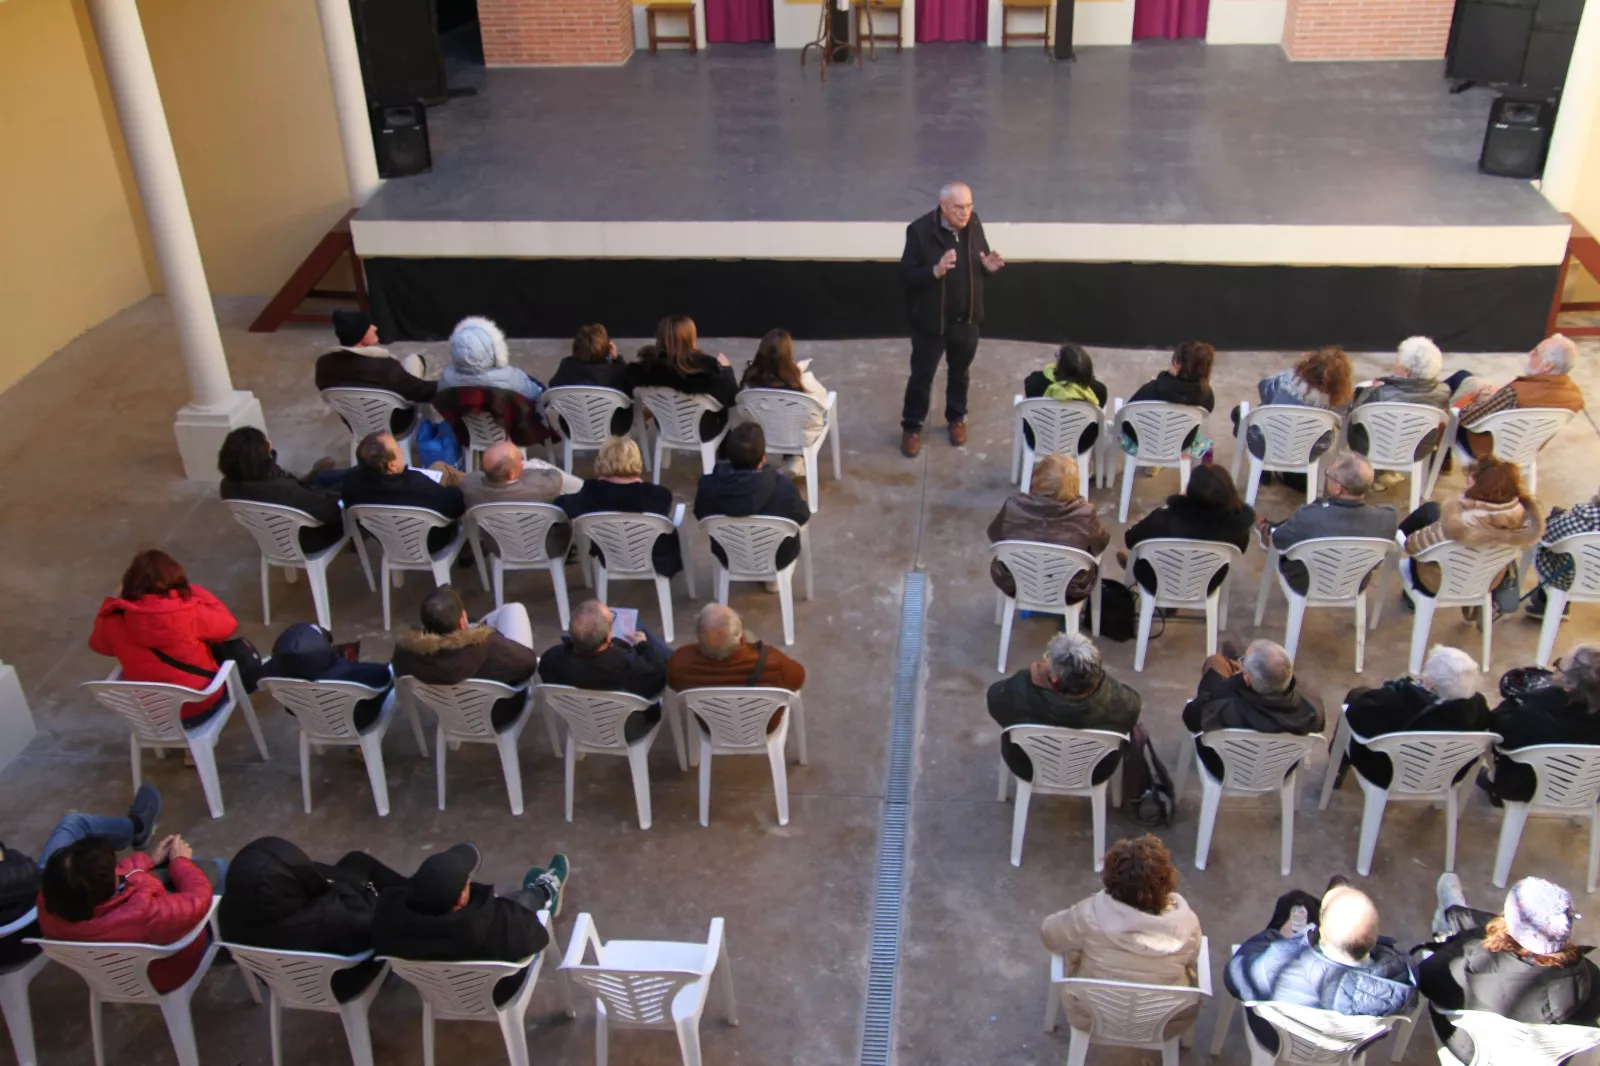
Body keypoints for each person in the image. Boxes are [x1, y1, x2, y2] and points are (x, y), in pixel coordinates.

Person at [1420, 875, 1600, 1063]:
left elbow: (1427, 979)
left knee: (1448, 933)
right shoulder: (1587, 976)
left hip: (1474, 1051)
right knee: (1471, 922)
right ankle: (1455, 912)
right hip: (1538, 1060)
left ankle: (1449, 913)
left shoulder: (1474, 960)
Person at [1225, 881, 1417, 1053]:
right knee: (1324, 889)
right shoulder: (1400, 981)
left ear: (1319, 929)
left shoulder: (1277, 961)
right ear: (1375, 939)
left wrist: (1277, 937)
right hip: (1343, 1053)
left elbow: (1234, 976)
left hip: (1274, 1041)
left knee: (1293, 901)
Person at [1040, 834, 1203, 1037]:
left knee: (1075, 947)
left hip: (1092, 1017)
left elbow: (1050, 935)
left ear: (1110, 879)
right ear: (1167, 880)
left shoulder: (1089, 915)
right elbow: (1193, 960)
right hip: (1164, 1023)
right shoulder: (1188, 923)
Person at [370, 843, 569, 1006]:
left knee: (510, 904)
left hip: (438, 996)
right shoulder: (498, 925)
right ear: (462, 897)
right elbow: (537, 936)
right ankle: (545, 890)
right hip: (497, 993)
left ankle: (540, 892)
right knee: (521, 904)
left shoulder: (389, 923)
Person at [217, 837, 410, 1001]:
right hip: (343, 979)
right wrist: (341, 888)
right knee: (387, 896)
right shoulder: (328, 917)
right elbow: (368, 925)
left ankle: (420, 888)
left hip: (285, 983)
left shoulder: (227, 914)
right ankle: (424, 894)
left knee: (355, 861)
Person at [898, 180, 1005, 458]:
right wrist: (935, 270)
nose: (965, 213)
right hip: (932, 324)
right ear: (942, 206)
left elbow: (979, 261)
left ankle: (956, 417)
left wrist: (988, 268)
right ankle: (912, 426)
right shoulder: (920, 231)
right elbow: (906, 275)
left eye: (969, 206)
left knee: (961, 373)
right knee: (922, 376)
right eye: (958, 207)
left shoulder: (974, 225)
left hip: (966, 319)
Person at [0, 786, 161, 968]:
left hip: (18, 920)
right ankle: (136, 828)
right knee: (73, 825)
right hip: (25, 926)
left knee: (75, 837)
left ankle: (132, 831)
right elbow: (27, 872)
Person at [38, 832, 217, 994]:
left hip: (108, 976)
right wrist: (181, 862)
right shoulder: (143, 914)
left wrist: (149, 861)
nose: (118, 869)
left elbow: (109, 880)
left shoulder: (51, 903)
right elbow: (198, 898)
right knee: (215, 870)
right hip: (165, 973)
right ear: (112, 887)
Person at [89, 549, 241, 726]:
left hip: (151, 715)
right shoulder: (188, 611)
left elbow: (100, 646)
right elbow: (228, 626)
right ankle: (193, 747)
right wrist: (195, 592)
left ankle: (182, 744)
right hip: (199, 705)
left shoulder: (114, 617)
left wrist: (111, 602)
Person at [988, 632, 1141, 784]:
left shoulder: (1018, 690)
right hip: (1096, 772)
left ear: (1055, 677)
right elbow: (1131, 717)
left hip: (1028, 767)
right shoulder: (1123, 700)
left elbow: (995, 701)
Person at [1336, 645, 1489, 789]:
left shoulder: (1402, 701)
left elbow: (1357, 716)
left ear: (1429, 684)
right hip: (1443, 779)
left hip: (1387, 774)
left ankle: (1338, 766)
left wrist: (1393, 689)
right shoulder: (1478, 707)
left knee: (1356, 696)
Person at [392, 587, 538, 731]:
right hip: (499, 714)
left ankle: (472, 627)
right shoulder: (492, 647)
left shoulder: (406, 653)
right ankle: (472, 627)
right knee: (514, 609)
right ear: (462, 621)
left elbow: (397, 670)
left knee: (500, 616)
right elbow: (528, 664)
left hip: (450, 717)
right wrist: (489, 636)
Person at [1257, 453, 1398, 596]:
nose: (1327, 477)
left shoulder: (1309, 515)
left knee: (1277, 535)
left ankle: (1265, 526)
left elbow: (1279, 542)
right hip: (1355, 584)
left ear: (1338, 489)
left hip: (1306, 582)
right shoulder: (1388, 518)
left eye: (1329, 474)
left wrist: (1267, 530)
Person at [1181, 640, 1324, 780]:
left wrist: (1232, 683)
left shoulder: (1222, 705)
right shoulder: (1312, 708)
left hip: (1222, 768)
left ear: (1247, 680)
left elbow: (1191, 719)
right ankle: (1238, 660)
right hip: (1277, 772)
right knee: (1233, 657)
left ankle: (1235, 660)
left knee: (1215, 664)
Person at [1399, 456, 1540, 598]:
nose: (1466, 483)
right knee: (1433, 511)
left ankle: (1410, 596)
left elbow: (1412, 546)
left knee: (1429, 512)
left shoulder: (1459, 524)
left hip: (1437, 583)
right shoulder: (1522, 518)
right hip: (1486, 583)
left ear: (1481, 489)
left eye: (1470, 481)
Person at [1480, 645, 1600, 804]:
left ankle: (1494, 788)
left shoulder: (1529, 712)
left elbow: (1497, 732)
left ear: (1569, 685)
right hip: (1588, 791)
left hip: (1527, 788)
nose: (1553, 670)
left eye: (1558, 666)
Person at [537, 600, 669, 743]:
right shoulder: (628, 666)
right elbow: (659, 676)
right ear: (608, 636)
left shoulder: (550, 660)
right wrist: (644, 645)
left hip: (581, 726)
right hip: (629, 728)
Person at [988, 454, 1109, 609]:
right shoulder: (1085, 513)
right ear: (1075, 485)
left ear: (1036, 478)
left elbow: (995, 537)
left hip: (1015, 582)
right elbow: (1100, 544)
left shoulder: (1013, 506)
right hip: (1069, 590)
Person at [555, 436, 683, 577]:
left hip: (609, 556)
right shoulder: (658, 494)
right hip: (654, 558)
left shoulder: (590, 493)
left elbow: (560, 506)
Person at [668, 604, 806, 734]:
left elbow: (672, 683)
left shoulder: (680, 662)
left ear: (699, 638)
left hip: (712, 729)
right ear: (741, 638)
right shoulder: (773, 662)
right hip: (764, 728)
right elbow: (798, 678)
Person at [693, 423, 812, 571]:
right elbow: (802, 515)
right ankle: (773, 578)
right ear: (763, 458)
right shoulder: (784, 489)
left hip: (728, 554)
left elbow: (700, 514)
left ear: (728, 457)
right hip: (777, 557)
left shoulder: (707, 486)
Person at [1236, 346, 1355, 493]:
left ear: (1310, 364)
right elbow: (1346, 419)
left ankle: (1264, 472)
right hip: (1308, 451)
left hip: (1267, 446)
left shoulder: (1287, 381)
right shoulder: (1339, 401)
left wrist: (1290, 372)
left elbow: (1264, 389)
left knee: (1243, 413)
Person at [1124, 465, 1254, 595]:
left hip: (1156, 581)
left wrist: (1174, 505)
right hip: (1207, 583)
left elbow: (1130, 538)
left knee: (1142, 549)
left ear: (1191, 490)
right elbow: (1242, 548)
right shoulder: (1238, 526)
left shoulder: (1164, 518)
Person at [217, 426, 347, 554]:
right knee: (354, 490)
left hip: (273, 536)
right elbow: (331, 511)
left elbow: (294, 490)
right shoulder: (284, 490)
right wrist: (344, 497)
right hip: (309, 538)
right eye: (266, 445)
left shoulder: (227, 486)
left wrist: (314, 474)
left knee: (321, 477)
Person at [1455, 334, 1585, 461]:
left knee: (1459, 380)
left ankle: (1441, 457)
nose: (1530, 353)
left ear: (1547, 366)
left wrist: (1467, 402)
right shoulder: (1576, 397)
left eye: (1536, 353)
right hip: (1524, 451)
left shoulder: (1514, 393)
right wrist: (1496, 396)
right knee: (1472, 383)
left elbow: (1467, 418)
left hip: (1487, 450)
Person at [1346, 336, 1451, 486]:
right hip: (1418, 449)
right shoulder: (1443, 391)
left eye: (1398, 360)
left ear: (1406, 371)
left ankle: (1377, 471)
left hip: (1372, 447)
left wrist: (1369, 391)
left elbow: (1355, 415)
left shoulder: (1380, 392)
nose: (1395, 363)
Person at [341, 431, 466, 554]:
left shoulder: (351, 482)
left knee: (439, 467)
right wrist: (454, 490)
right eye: (398, 448)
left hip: (390, 541)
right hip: (430, 542)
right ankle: (471, 547)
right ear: (391, 466)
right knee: (455, 481)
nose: (401, 451)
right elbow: (456, 506)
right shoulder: (418, 487)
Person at [314, 310, 435, 436]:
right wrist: (448, 382)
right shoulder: (384, 367)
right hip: (397, 424)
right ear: (360, 335)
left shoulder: (323, 365)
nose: (374, 328)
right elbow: (421, 392)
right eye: (368, 327)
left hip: (358, 426)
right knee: (414, 360)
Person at [461, 440, 581, 561]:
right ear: (512, 474)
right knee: (537, 464)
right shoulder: (542, 486)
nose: (523, 463)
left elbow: (473, 478)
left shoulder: (469, 488)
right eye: (520, 459)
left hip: (499, 549)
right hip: (550, 547)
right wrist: (531, 467)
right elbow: (555, 475)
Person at [260, 623, 393, 731]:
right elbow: (384, 677)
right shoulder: (346, 672)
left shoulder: (272, 674)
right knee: (391, 680)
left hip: (311, 722)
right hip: (356, 721)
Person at [628, 315, 738, 442]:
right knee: (724, 412)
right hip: (703, 430)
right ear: (691, 339)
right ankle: (723, 456)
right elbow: (732, 397)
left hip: (666, 426)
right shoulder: (707, 371)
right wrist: (726, 369)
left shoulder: (645, 370)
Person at [1122, 340, 1217, 460]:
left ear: (1178, 364)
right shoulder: (1206, 395)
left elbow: (1126, 420)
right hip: (1181, 445)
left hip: (1144, 443)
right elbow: (1207, 412)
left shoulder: (1151, 388)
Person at [739, 328, 831, 448]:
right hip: (799, 438)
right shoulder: (803, 383)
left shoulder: (750, 381)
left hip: (762, 434)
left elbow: (742, 411)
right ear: (788, 354)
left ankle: (794, 461)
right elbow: (822, 403)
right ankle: (796, 460)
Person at [1021, 342, 1108, 453]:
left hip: (1038, 440)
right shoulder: (1099, 391)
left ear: (1060, 366)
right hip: (1080, 444)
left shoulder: (1035, 382)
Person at [548, 323, 634, 435]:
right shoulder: (615, 371)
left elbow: (553, 387)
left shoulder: (567, 367)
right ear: (608, 348)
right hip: (614, 428)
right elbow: (630, 391)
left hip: (573, 429)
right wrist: (618, 360)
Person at [1529, 485, 1600, 619]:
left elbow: (1545, 536)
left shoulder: (1583, 519)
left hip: (1572, 580)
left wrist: (1553, 519)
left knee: (1551, 546)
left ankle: (1544, 603)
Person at [438, 316, 543, 402]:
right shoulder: (512, 378)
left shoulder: (446, 379)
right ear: (495, 350)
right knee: (535, 385)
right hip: (504, 425)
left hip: (461, 425)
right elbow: (535, 395)